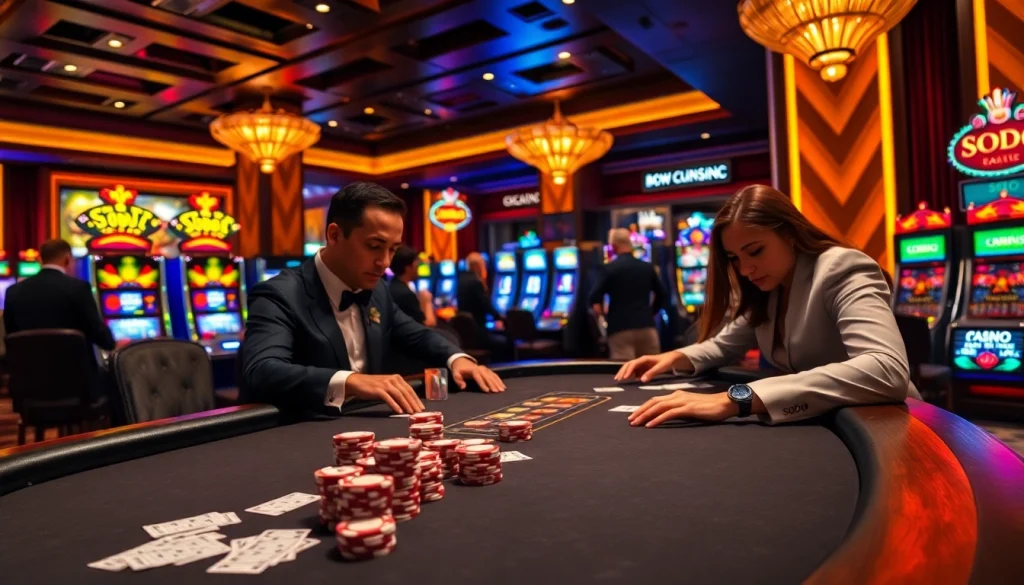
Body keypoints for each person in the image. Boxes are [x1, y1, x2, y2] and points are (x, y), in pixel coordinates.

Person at [616, 185, 915, 427]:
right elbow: (723, 346)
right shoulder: (770, 288)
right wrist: (672, 358)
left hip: (890, 424)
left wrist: (736, 399)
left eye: (755, 251)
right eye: (734, 257)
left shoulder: (841, 267)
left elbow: (886, 369)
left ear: (790, 234)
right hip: (835, 420)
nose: (745, 269)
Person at [241, 182, 505, 415]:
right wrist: (350, 381)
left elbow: (416, 334)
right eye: (374, 246)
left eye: (392, 249)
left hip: (365, 424)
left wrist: (456, 358)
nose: (384, 263)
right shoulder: (279, 294)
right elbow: (262, 371)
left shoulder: (377, 289)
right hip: (297, 432)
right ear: (334, 235)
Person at [3, 239, 115, 351]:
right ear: (67, 259)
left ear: (40, 260)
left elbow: (11, 337)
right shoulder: (78, 288)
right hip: (73, 366)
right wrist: (114, 344)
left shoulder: (13, 291)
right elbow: (96, 331)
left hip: (27, 366)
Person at [589, 228, 667, 360]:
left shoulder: (608, 269)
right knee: (652, 371)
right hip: (647, 326)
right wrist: (650, 313)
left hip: (620, 328)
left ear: (613, 246)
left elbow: (594, 298)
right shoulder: (647, 267)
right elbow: (662, 295)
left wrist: (604, 317)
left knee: (625, 372)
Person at [457, 252, 508, 356]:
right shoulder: (476, 282)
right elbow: (486, 306)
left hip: (467, 335)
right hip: (478, 334)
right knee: (506, 342)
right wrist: (501, 318)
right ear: (479, 266)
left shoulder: (461, 280)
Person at [388, 246, 436, 327]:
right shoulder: (405, 295)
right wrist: (427, 302)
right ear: (408, 267)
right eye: (416, 264)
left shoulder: (392, 285)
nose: (419, 268)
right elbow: (428, 325)